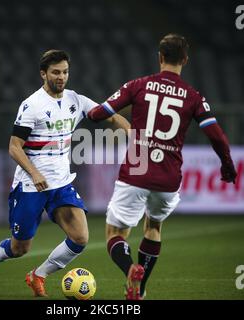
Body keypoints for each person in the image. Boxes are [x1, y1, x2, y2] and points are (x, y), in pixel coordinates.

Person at [88, 34, 237, 300]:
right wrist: (227, 166)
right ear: (185, 60)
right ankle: (141, 289)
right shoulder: (194, 97)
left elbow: (99, 114)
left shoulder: (138, 85)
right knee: (153, 227)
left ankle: (130, 269)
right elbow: (217, 136)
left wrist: (91, 112)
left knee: (115, 232)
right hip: (168, 178)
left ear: (160, 57)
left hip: (137, 170)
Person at [0, 50, 130, 297]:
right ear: (43, 74)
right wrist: (35, 173)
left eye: (65, 72)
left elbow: (108, 115)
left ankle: (38, 275)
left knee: (80, 237)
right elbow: (14, 147)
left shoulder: (75, 100)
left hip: (61, 184)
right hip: (30, 186)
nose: (61, 77)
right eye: (56, 72)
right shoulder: (31, 106)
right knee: (20, 248)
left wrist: (132, 131)